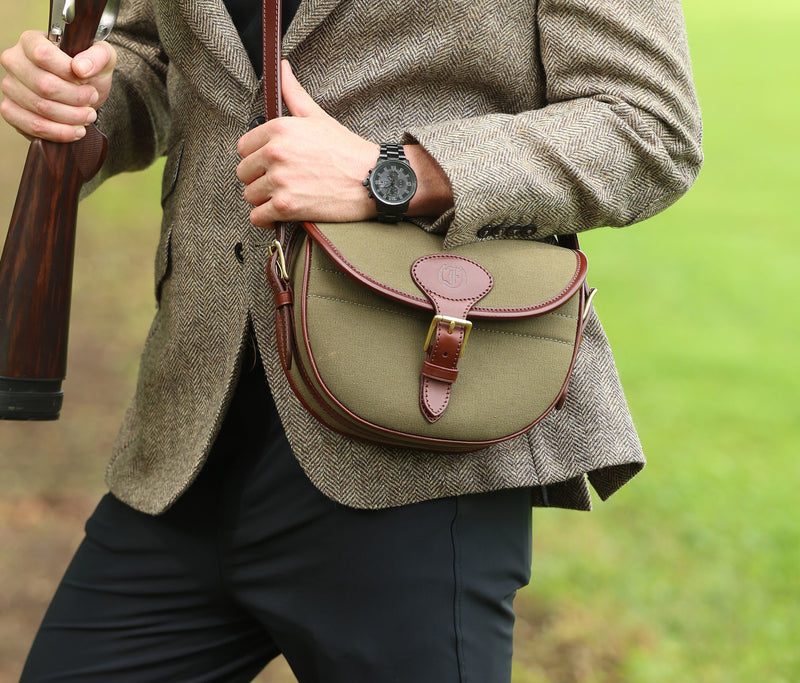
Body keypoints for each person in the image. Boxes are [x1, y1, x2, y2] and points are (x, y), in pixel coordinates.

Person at [1, 0, 702, 680]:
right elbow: (156, 56)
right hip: (184, 447)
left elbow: (648, 125)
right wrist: (82, 105)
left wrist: (391, 173)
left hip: (416, 453)